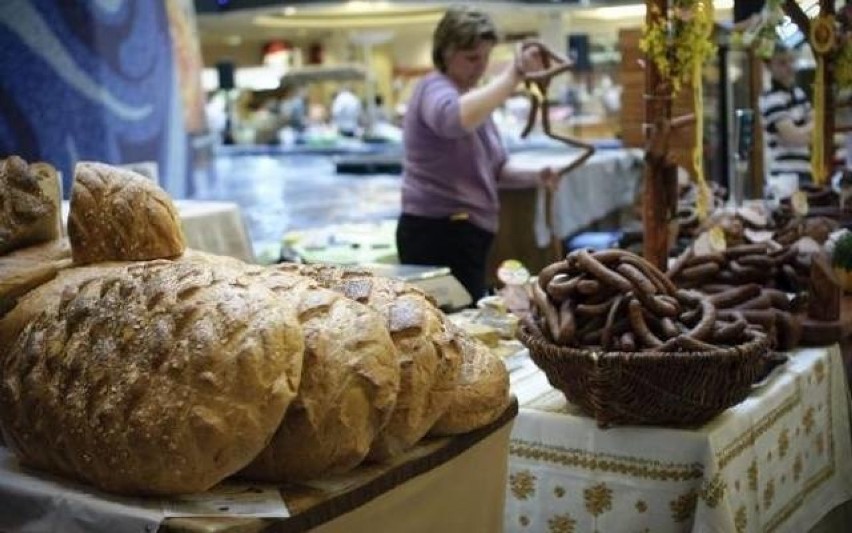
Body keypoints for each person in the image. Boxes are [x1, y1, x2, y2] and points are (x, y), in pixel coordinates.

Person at [396, 6, 557, 302]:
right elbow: (452, 120)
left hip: (468, 235)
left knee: (467, 318)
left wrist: (537, 176)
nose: (480, 66)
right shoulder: (434, 88)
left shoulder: (472, 99)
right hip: (436, 233)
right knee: (447, 326)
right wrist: (512, 77)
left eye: (485, 57)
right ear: (445, 52)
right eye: (471, 58)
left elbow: (496, 169)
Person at [759, 43, 813, 183]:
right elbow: (793, 137)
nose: (789, 66)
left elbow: (817, 129)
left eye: (791, 60)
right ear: (769, 66)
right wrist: (808, 131)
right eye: (782, 63)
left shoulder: (799, 94)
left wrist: (802, 132)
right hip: (784, 177)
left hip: (806, 171)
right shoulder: (771, 99)